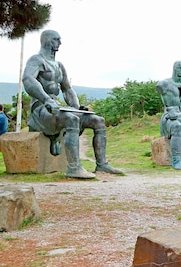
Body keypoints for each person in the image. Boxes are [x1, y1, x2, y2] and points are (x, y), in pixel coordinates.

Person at [22, 30, 123, 179]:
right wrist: (46, 100)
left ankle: (102, 164)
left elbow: (67, 89)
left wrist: (76, 106)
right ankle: (74, 168)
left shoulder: (59, 65)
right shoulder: (36, 60)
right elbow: (28, 80)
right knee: (71, 119)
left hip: (57, 106)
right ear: (48, 41)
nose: (60, 43)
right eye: (57, 39)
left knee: (98, 121)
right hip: (41, 108)